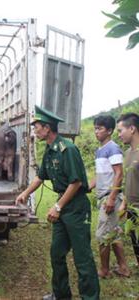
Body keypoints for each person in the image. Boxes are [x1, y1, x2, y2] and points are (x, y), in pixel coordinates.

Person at [15, 106, 100, 300]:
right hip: (62, 208)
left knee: (82, 258)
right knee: (57, 254)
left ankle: (90, 297)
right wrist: (25, 193)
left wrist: (58, 206)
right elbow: (41, 176)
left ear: (47, 128)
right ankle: (61, 295)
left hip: (76, 208)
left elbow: (77, 182)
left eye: (37, 127)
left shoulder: (67, 149)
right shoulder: (50, 150)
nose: (35, 130)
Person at [89, 115, 130, 278]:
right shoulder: (100, 150)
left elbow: (119, 174)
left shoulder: (113, 148)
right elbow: (100, 176)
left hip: (109, 197)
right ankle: (123, 267)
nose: (96, 132)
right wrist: (87, 187)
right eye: (95, 128)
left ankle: (104, 270)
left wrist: (112, 198)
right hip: (103, 196)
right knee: (113, 233)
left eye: (100, 129)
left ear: (110, 131)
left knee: (102, 235)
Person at [116, 112, 139, 267]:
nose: (118, 135)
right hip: (132, 211)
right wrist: (124, 202)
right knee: (136, 246)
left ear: (132, 128)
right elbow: (128, 181)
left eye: (120, 130)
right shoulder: (128, 153)